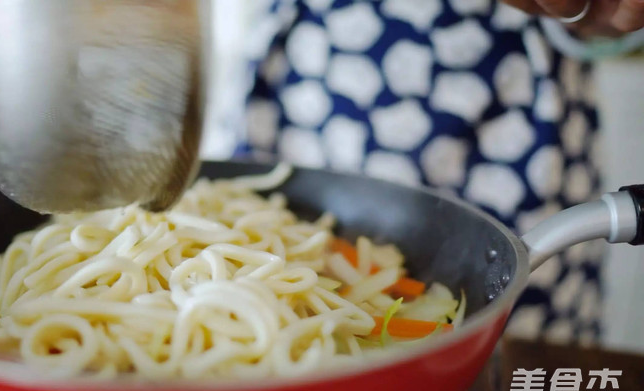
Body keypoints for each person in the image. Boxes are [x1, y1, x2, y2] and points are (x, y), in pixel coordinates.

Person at [210, 0, 644, 344]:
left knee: (521, 370)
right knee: (255, 302)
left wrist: (601, 20)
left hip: (517, 106)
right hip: (308, 71)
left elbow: (625, 31)